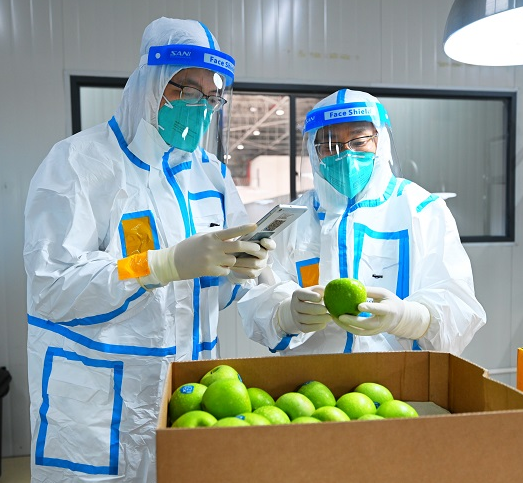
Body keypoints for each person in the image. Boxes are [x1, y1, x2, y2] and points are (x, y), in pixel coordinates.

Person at [24, 17, 274, 482]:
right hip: (97, 409)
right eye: (188, 90)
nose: (200, 107)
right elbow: (52, 287)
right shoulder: (79, 162)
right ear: (150, 84)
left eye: (211, 96)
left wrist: (247, 276)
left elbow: (223, 293)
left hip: (189, 399)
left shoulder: (212, 175)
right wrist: (159, 264)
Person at [238, 88, 486, 355]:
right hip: (310, 378)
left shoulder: (421, 210)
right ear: (314, 152)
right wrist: (285, 315)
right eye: (330, 146)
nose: (345, 155)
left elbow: (459, 306)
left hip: (397, 376)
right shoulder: (293, 219)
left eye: (359, 141)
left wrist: (409, 318)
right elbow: (258, 298)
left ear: (380, 141)